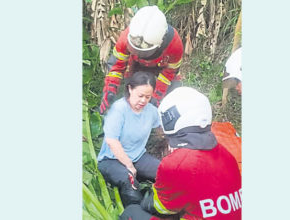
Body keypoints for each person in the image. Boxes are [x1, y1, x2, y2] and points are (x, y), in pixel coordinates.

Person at [120, 87, 242, 220]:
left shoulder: (175, 163)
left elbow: (161, 207)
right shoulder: (227, 155)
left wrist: (146, 200)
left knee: (131, 212)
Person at [100, 5, 184, 114]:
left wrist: (156, 96)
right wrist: (110, 89)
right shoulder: (126, 38)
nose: (141, 53)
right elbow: (116, 66)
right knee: (131, 90)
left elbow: (169, 73)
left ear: (160, 43)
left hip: (161, 67)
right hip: (135, 64)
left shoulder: (175, 45)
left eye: (144, 51)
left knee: (172, 93)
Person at [97, 71, 162, 207]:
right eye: (140, 96)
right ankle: (135, 212)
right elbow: (112, 141)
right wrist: (129, 165)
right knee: (130, 182)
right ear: (130, 89)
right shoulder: (119, 109)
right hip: (111, 160)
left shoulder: (151, 111)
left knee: (164, 172)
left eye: (148, 97)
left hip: (138, 156)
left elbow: (162, 128)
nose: (143, 100)